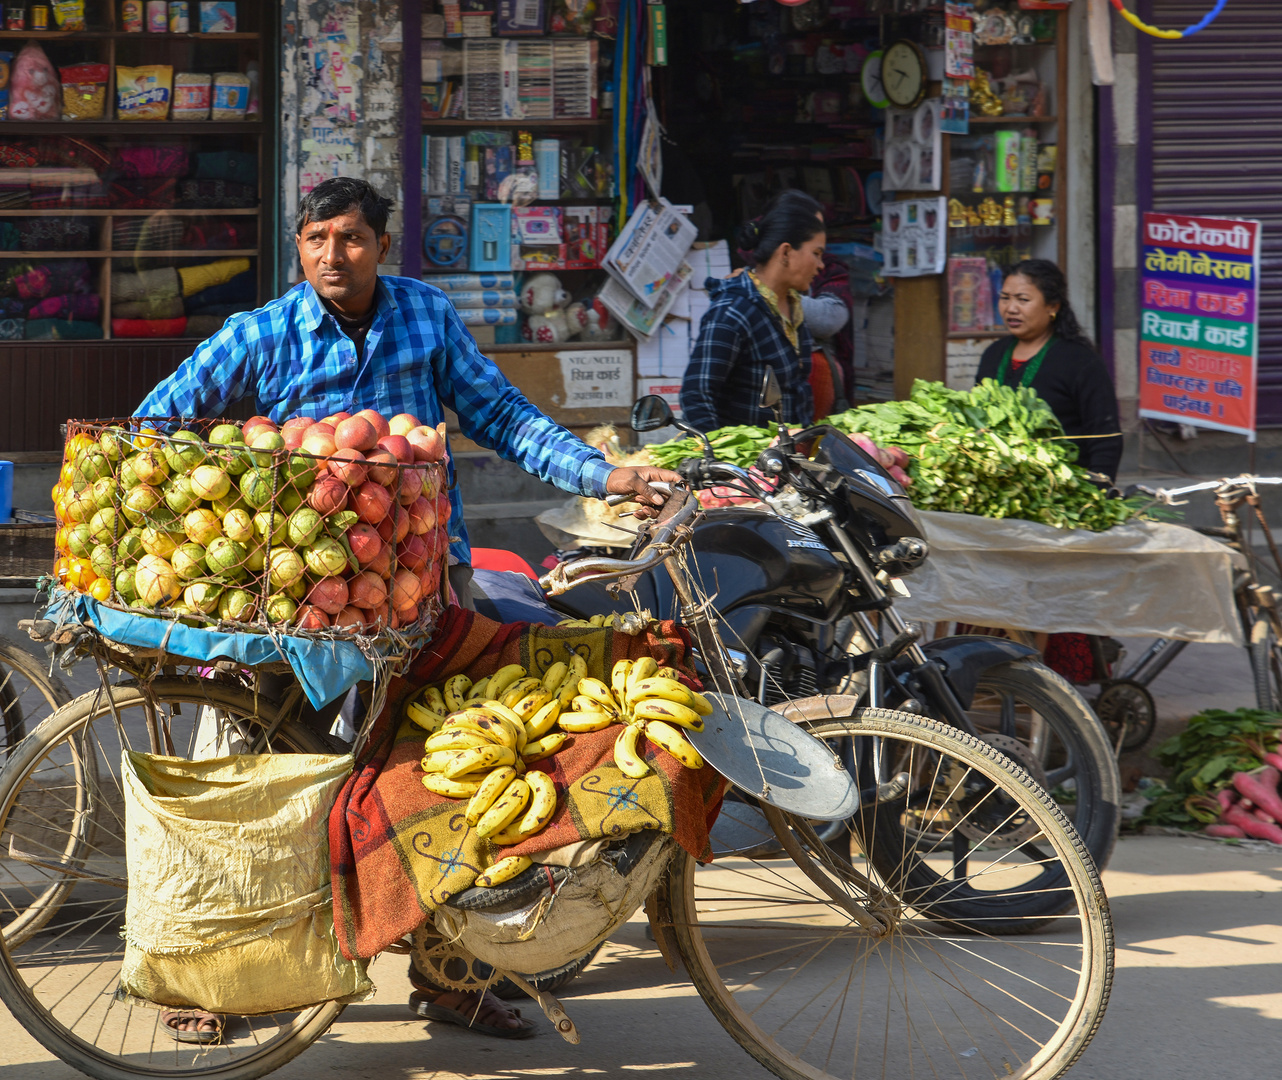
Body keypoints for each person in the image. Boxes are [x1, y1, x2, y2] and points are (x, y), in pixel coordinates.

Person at [136, 176, 679, 1042]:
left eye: (349, 239)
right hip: (301, 606)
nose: (331, 257)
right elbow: (156, 422)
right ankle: (217, 982)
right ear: (299, 247)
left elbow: (500, 413)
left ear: (381, 245)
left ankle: (450, 976)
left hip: (424, 587)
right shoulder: (263, 332)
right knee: (266, 783)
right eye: (314, 239)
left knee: (456, 771)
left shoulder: (423, 316)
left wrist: (603, 473)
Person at [681, 191, 826, 431]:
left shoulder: (793, 308)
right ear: (786, 252)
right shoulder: (733, 311)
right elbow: (696, 395)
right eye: (816, 254)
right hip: (747, 465)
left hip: (785, 461)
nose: (821, 265)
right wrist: (721, 461)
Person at [974, 259, 1122, 481]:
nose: (1011, 308)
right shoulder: (994, 354)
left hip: (1063, 487)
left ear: (1052, 306)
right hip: (1000, 484)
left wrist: (1098, 489)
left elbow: (1106, 437)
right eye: (1005, 298)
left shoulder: (1080, 361)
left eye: (1023, 300)